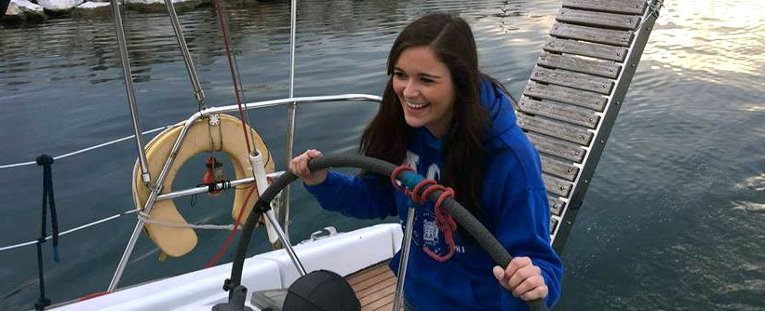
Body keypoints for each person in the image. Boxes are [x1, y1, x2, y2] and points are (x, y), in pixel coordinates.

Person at [289, 13, 562, 310]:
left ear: (460, 83)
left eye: (426, 80)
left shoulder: (510, 159)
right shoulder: (401, 127)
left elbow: (541, 264)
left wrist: (533, 281)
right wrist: (323, 182)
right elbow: (378, 196)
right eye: (400, 74)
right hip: (414, 296)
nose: (408, 91)